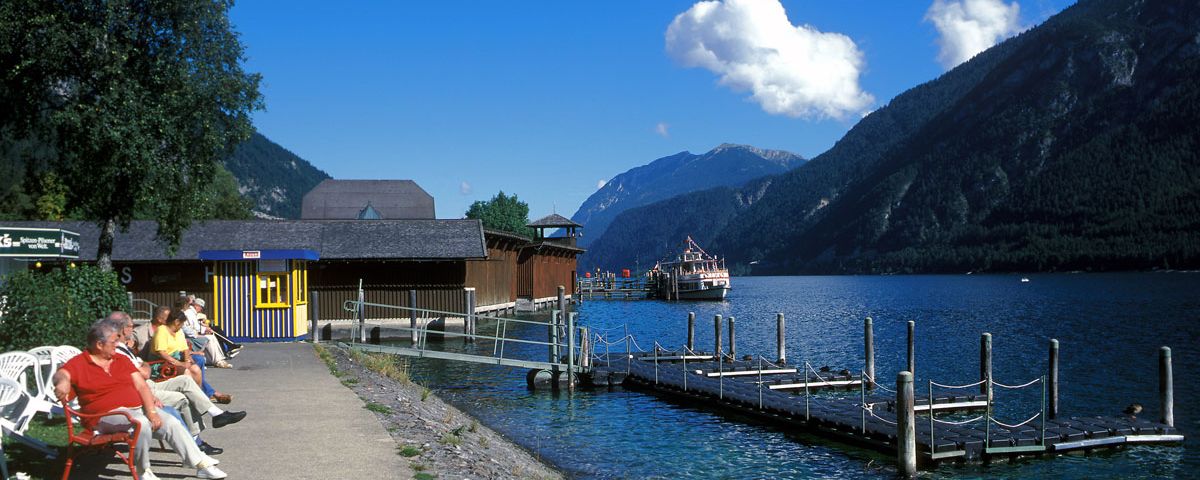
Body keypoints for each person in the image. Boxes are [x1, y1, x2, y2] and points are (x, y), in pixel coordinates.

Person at [52, 320, 227, 480]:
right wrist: (62, 383)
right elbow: (62, 374)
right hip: (103, 416)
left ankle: (200, 465)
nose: (117, 345)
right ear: (99, 344)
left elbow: (141, 385)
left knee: (171, 422)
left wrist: (151, 410)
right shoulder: (80, 363)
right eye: (113, 341)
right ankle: (144, 471)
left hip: (136, 409)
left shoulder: (119, 359)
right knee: (140, 423)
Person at [106, 312, 246, 455]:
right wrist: (146, 366)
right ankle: (196, 442)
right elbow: (145, 370)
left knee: (187, 379)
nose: (133, 328)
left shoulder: (123, 347)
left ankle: (216, 414)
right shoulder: (116, 350)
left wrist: (146, 365)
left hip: (149, 381)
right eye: (131, 326)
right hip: (146, 384)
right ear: (124, 329)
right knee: (183, 395)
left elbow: (143, 365)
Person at [153, 309, 232, 404]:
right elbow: (161, 353)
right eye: (182, 323)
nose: (182, 326)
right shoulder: (162, 330)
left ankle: (199, 396)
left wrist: (187, 360)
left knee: (196, 367)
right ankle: (203, 397)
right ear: (177, 322)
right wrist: (180, 363)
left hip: (178, 358)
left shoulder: (178, 331)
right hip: (164, 363)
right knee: (188, 371)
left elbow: (185, 348)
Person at [177, 296, 231, 369]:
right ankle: (218, 360)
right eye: (201, 307)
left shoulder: (189, 312)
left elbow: (191, 327)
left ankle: (218, 359)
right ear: (196, 306)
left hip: (189, 335)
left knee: (211, 336)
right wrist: (203, 330)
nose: (201, 310)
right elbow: (189, 328)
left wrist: (203, 329)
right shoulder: (189, 313)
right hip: (188, 337)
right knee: (210, 338)